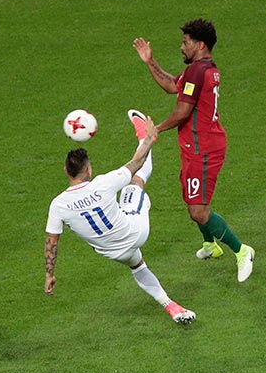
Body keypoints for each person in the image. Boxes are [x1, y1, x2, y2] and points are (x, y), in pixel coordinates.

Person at [44, 111, 196, 324]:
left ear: (65, 171)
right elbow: (137, 161)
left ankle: (170, 306)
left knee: (138, 265)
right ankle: (142, 133)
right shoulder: (102, 183)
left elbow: (52, 242)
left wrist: (49, 275)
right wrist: (149, 139)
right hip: (135, 231)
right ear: (89, 169)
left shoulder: (58, 205)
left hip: (113, 252)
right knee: (134, 183)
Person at [133, 18, 255, 282]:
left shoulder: (198, 72)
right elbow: (171, 86)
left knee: (198, 210)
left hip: (204, 149)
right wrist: (149, 62)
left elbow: (183, 111)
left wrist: (157, 130)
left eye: (185, 42)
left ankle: (242, 251)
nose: (181, 47)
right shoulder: (200, 70)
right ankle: (210, 245)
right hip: (198, 145)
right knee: (192, 200)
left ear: (200, 45)